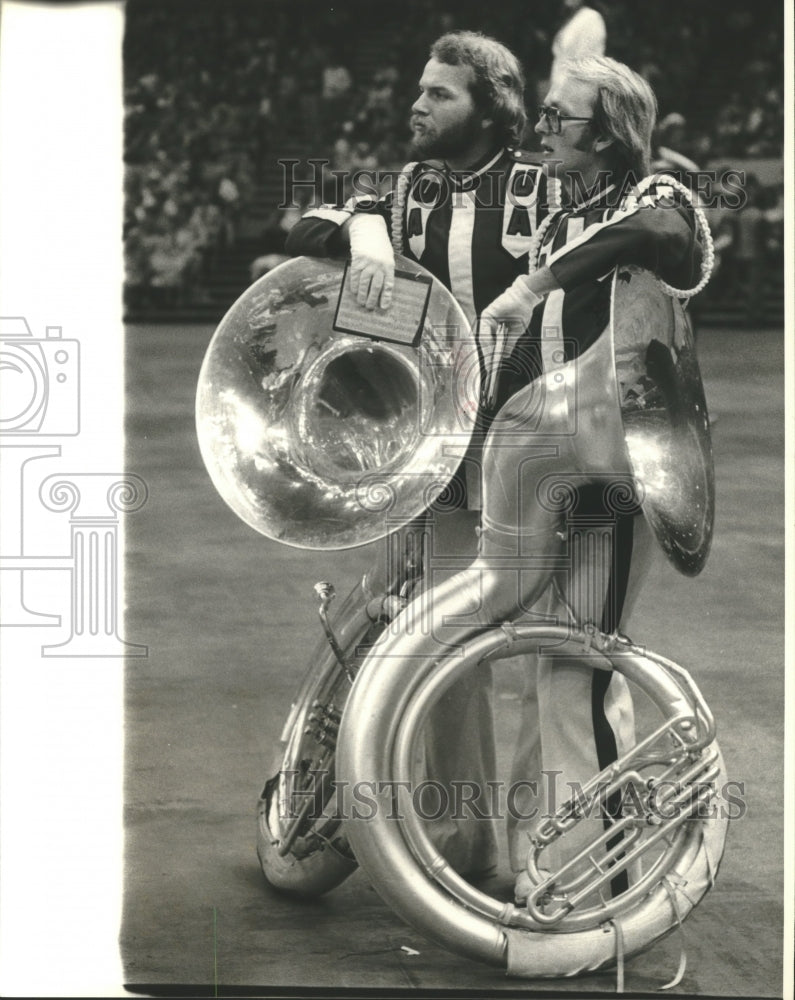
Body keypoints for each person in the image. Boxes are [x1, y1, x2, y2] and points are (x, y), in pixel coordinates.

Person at [285, 30, 554, 879]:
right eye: (420, 89)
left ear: (494, 109)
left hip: (539, 454)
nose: (417, 104)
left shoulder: (548, 185)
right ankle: (464, 848)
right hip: (437, 460)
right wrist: (366, 228)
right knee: (441, 652)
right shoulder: (404, 191)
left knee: (561, 656)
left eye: (440, 94)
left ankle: (555, 845)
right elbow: (310, 217)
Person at [476, 55, 709, 901]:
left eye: (556, 118)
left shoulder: (662, 200)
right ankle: (548, 867)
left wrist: (535, 280)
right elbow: (538, 364)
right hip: (555, 477)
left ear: (607, 133)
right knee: (547, 671)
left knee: (578, 669)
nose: (539, 130)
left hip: (615, 480)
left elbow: (660, 239)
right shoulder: (558, 221)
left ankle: (602, 892)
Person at [550, 0, 606, 85]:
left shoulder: (591, 18)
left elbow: (585, 63)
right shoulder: (573, 18)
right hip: (560, 86)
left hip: (576, 87)